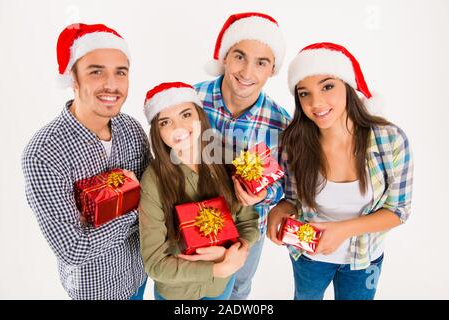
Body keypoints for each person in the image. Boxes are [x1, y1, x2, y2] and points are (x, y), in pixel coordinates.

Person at [268, 42, 414, 300]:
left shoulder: (390, 140)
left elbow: (398, 211)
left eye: (327, 86)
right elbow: (292, 199)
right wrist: (279, 210)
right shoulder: (294, 143)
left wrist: (342, 230)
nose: (316, 102)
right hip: (308, 255)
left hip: (364, 259)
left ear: (348, 86)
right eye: (304, 93)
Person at [22, 23, 150, 300]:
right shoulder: (44, 153)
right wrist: (134, 210)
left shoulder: (131, 129)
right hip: (97, 290)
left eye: (121, 72)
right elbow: (73, 249)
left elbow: (154, 195)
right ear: (74, 79)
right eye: (96, 72)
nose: (112, 85)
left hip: (140, 275)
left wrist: (99, 219)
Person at [194, 12, 291, 300]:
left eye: (261, 62)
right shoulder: (190, 101)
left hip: (248, 230)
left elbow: (286, 187)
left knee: (237, 288)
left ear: (272, 69)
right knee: (193, 291)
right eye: (239, 56)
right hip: (192, 220)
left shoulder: (281, 123)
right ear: (225, 57)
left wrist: (263, 196)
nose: (247, 72)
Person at [139, 82, 259, 300]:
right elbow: (154, 264)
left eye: (186, 114)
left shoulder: (227, 159)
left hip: (220, 287)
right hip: (177, 293)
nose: (178, 127)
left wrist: (235, 252)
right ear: (157, 132)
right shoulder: (153, 180)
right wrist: (214, 268)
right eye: (165, 122)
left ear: (200, 116)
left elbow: (248, 223)